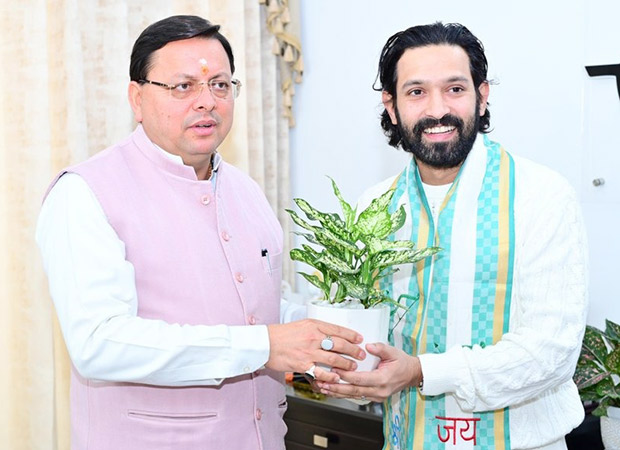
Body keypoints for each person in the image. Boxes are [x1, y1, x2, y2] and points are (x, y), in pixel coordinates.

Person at [36, 15, 365, 450]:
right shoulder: (85, 193)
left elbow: (259, 306)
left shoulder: (245, 190)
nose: (206, 101)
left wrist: (322, 338)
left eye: (221, 86)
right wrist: (264, 346)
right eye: (183, 86)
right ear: (137, 98)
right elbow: (100, 342)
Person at [314, 22, 588, 450]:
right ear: (391, 105)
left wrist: (421, 371)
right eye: (417, 91)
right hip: (407, 439)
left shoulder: (540, 195)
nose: (437, 109)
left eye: (455, 89)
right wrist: (344, 366)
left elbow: (550, 351)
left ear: (482, 97)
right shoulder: (375, 207)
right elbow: (364, 324)